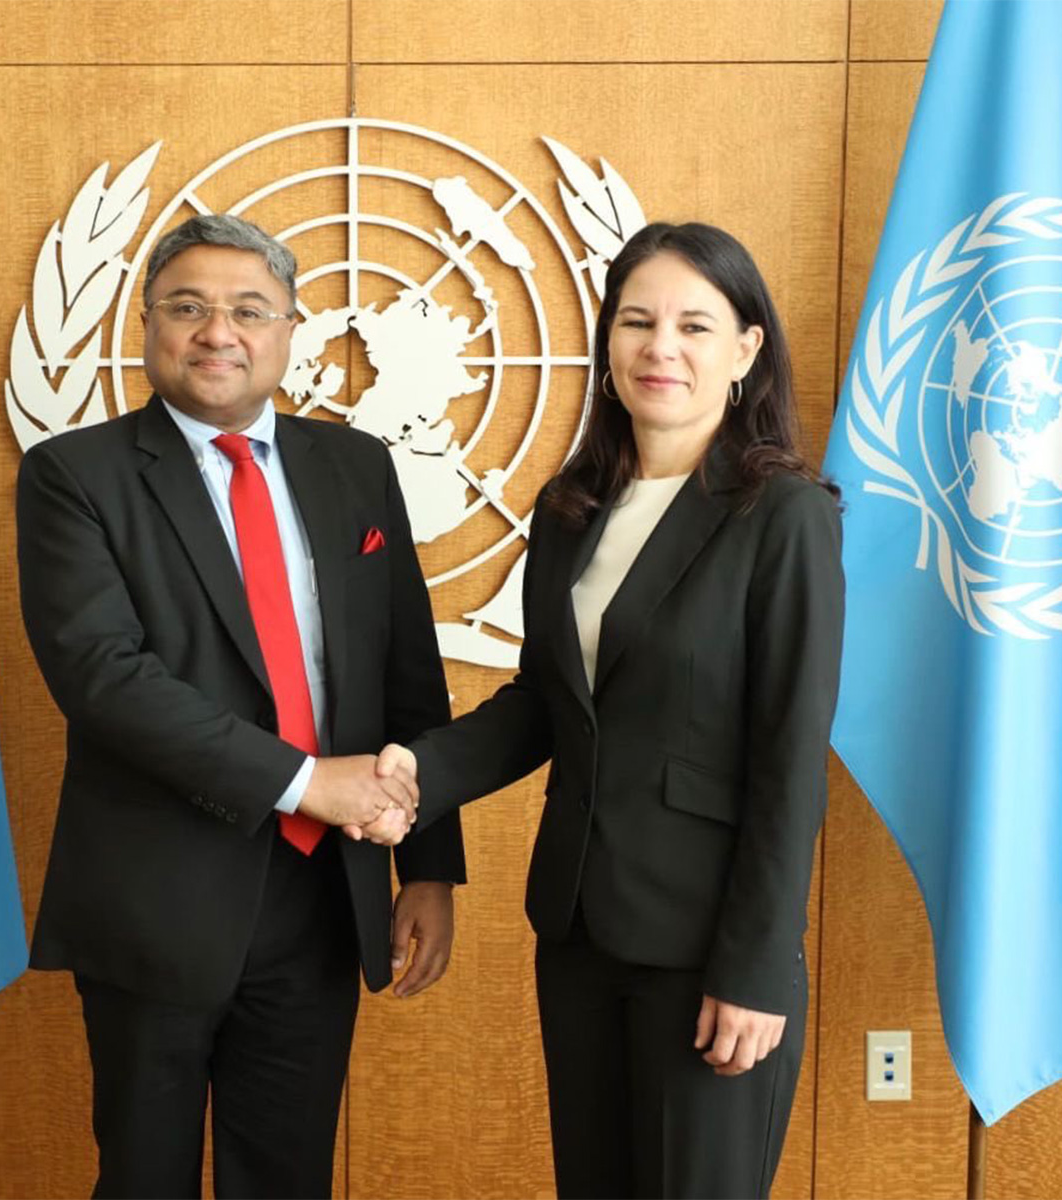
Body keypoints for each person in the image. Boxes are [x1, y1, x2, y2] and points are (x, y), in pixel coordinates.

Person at [376, 222, 844, 1199]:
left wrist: (757, 965)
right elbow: (544, 708)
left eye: (692, 324)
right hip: (580, 934)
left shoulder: (782, 516)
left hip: (708, 951)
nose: (658, 347)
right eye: (636, 321)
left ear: (747, 349)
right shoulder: (571, 509)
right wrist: (413, 776)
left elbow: (789, 759)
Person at [16, 214, 466, 1200]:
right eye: (188, 307)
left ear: (289, 331)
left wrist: (428, 867)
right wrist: (308, 784)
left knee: (287, 1177)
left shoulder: (355, 467)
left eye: (248, 309)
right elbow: (104, 678)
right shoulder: (73, 477)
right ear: (146, 328)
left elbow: (407, 674)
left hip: (321, 900)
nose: (218, 330)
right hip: (155, 899)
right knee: (144, 1179)